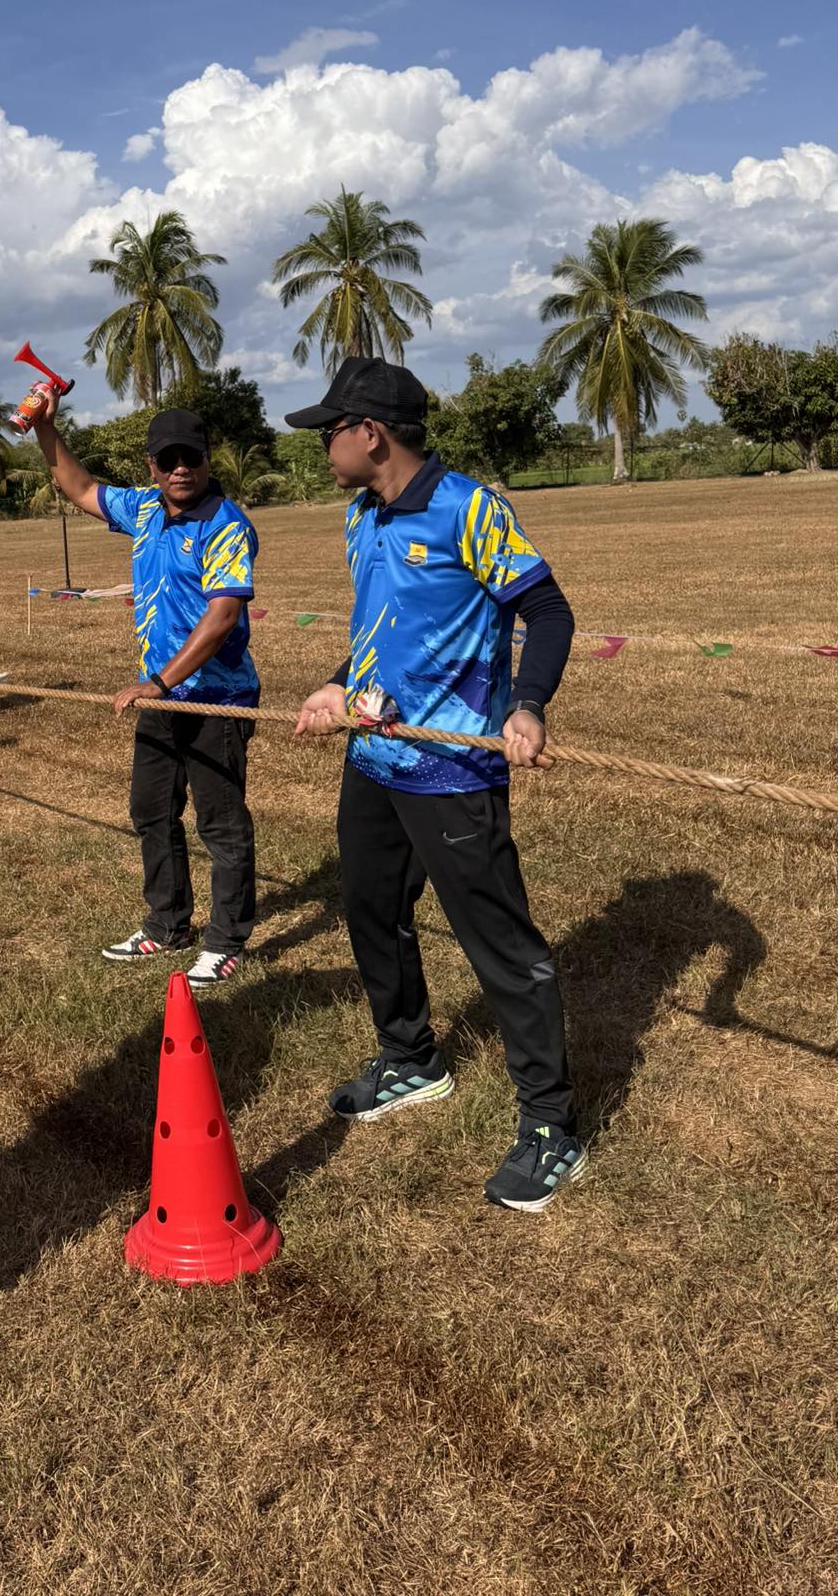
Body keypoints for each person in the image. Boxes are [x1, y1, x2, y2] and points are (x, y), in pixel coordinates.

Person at [288, 355, 584, 1213]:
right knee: (371, 910)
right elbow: (383, 626)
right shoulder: (361, 514)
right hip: (374, 758)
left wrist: (528, 705)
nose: (323, 446)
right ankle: (411, 1058)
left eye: (330, 431)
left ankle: (551, 1125)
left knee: (499, 943)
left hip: (452, 770)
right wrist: (339, 682)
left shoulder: (469, 508)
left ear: (370, 433)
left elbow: (548, 610)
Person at [32, 394, 260, 987]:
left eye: (192, 457)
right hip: (160, 700)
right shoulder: (144, 508)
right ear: (152, 466)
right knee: (151, 811)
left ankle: (226, 941)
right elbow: (80, 487)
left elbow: (223, 618)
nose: (181, 469)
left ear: (208, 460)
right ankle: (167, 925)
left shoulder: (226, 524)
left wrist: (157, 681)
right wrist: (46, 429)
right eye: (169, 459)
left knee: (220, 824)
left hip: (215, 700)